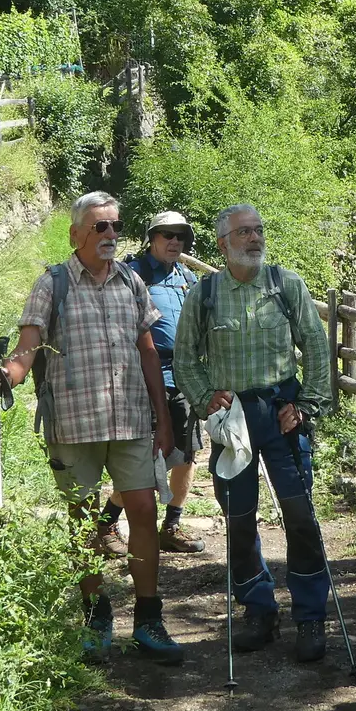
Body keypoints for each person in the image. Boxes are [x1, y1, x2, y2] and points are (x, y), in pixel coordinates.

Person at [0, 191, 182, 664]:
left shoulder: (131, 282)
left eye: (115, 226)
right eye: (100, 227)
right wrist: (5, 375)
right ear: (75, 235)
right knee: (83, 523)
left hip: (131, 417)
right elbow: (28, 347)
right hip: (72, 423)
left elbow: (148, 352)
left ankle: (149, 620)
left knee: (143, 513)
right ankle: (97, 616)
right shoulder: (53, 285)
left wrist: (163, 419)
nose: (111, 234)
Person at [172, 204, 338, 664]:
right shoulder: (203, 294)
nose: (254, 239)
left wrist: (306, 406)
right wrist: (205, 397)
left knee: (300, 514)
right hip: (233, 419)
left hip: (282, 410)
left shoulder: (287, 285)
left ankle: (310, 615)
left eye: (258, 230)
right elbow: (185, 359)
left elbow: (317, 349)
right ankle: (258, 609)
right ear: (223, 243)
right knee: (240, 518)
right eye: (243, 233)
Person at [127, 211, 206, 555]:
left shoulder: (186, 277)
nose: (175, 242)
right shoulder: (133, 275)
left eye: (181, 236)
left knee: (187, 454)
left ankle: (171, 525)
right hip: (145, 376)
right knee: (142, 456)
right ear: (152, 238)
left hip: (184, 375)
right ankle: (106, 523)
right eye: (167, 235)